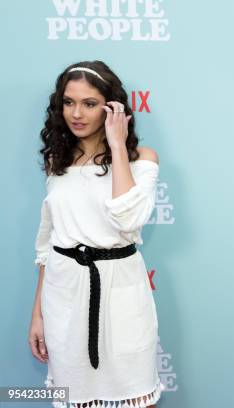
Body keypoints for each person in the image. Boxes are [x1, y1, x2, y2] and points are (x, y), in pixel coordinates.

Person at [28, 60, 164, 408]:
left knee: (138, 397)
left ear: (111, 106)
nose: (76, 113)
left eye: (89, 103)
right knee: (76, 399)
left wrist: (118, 146)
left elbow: (128, 219)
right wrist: (37, 313)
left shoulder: (141, 159)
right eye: (68, 102)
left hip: (121, 291)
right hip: (64, 292)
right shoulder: (57, 161)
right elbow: (49, 242)